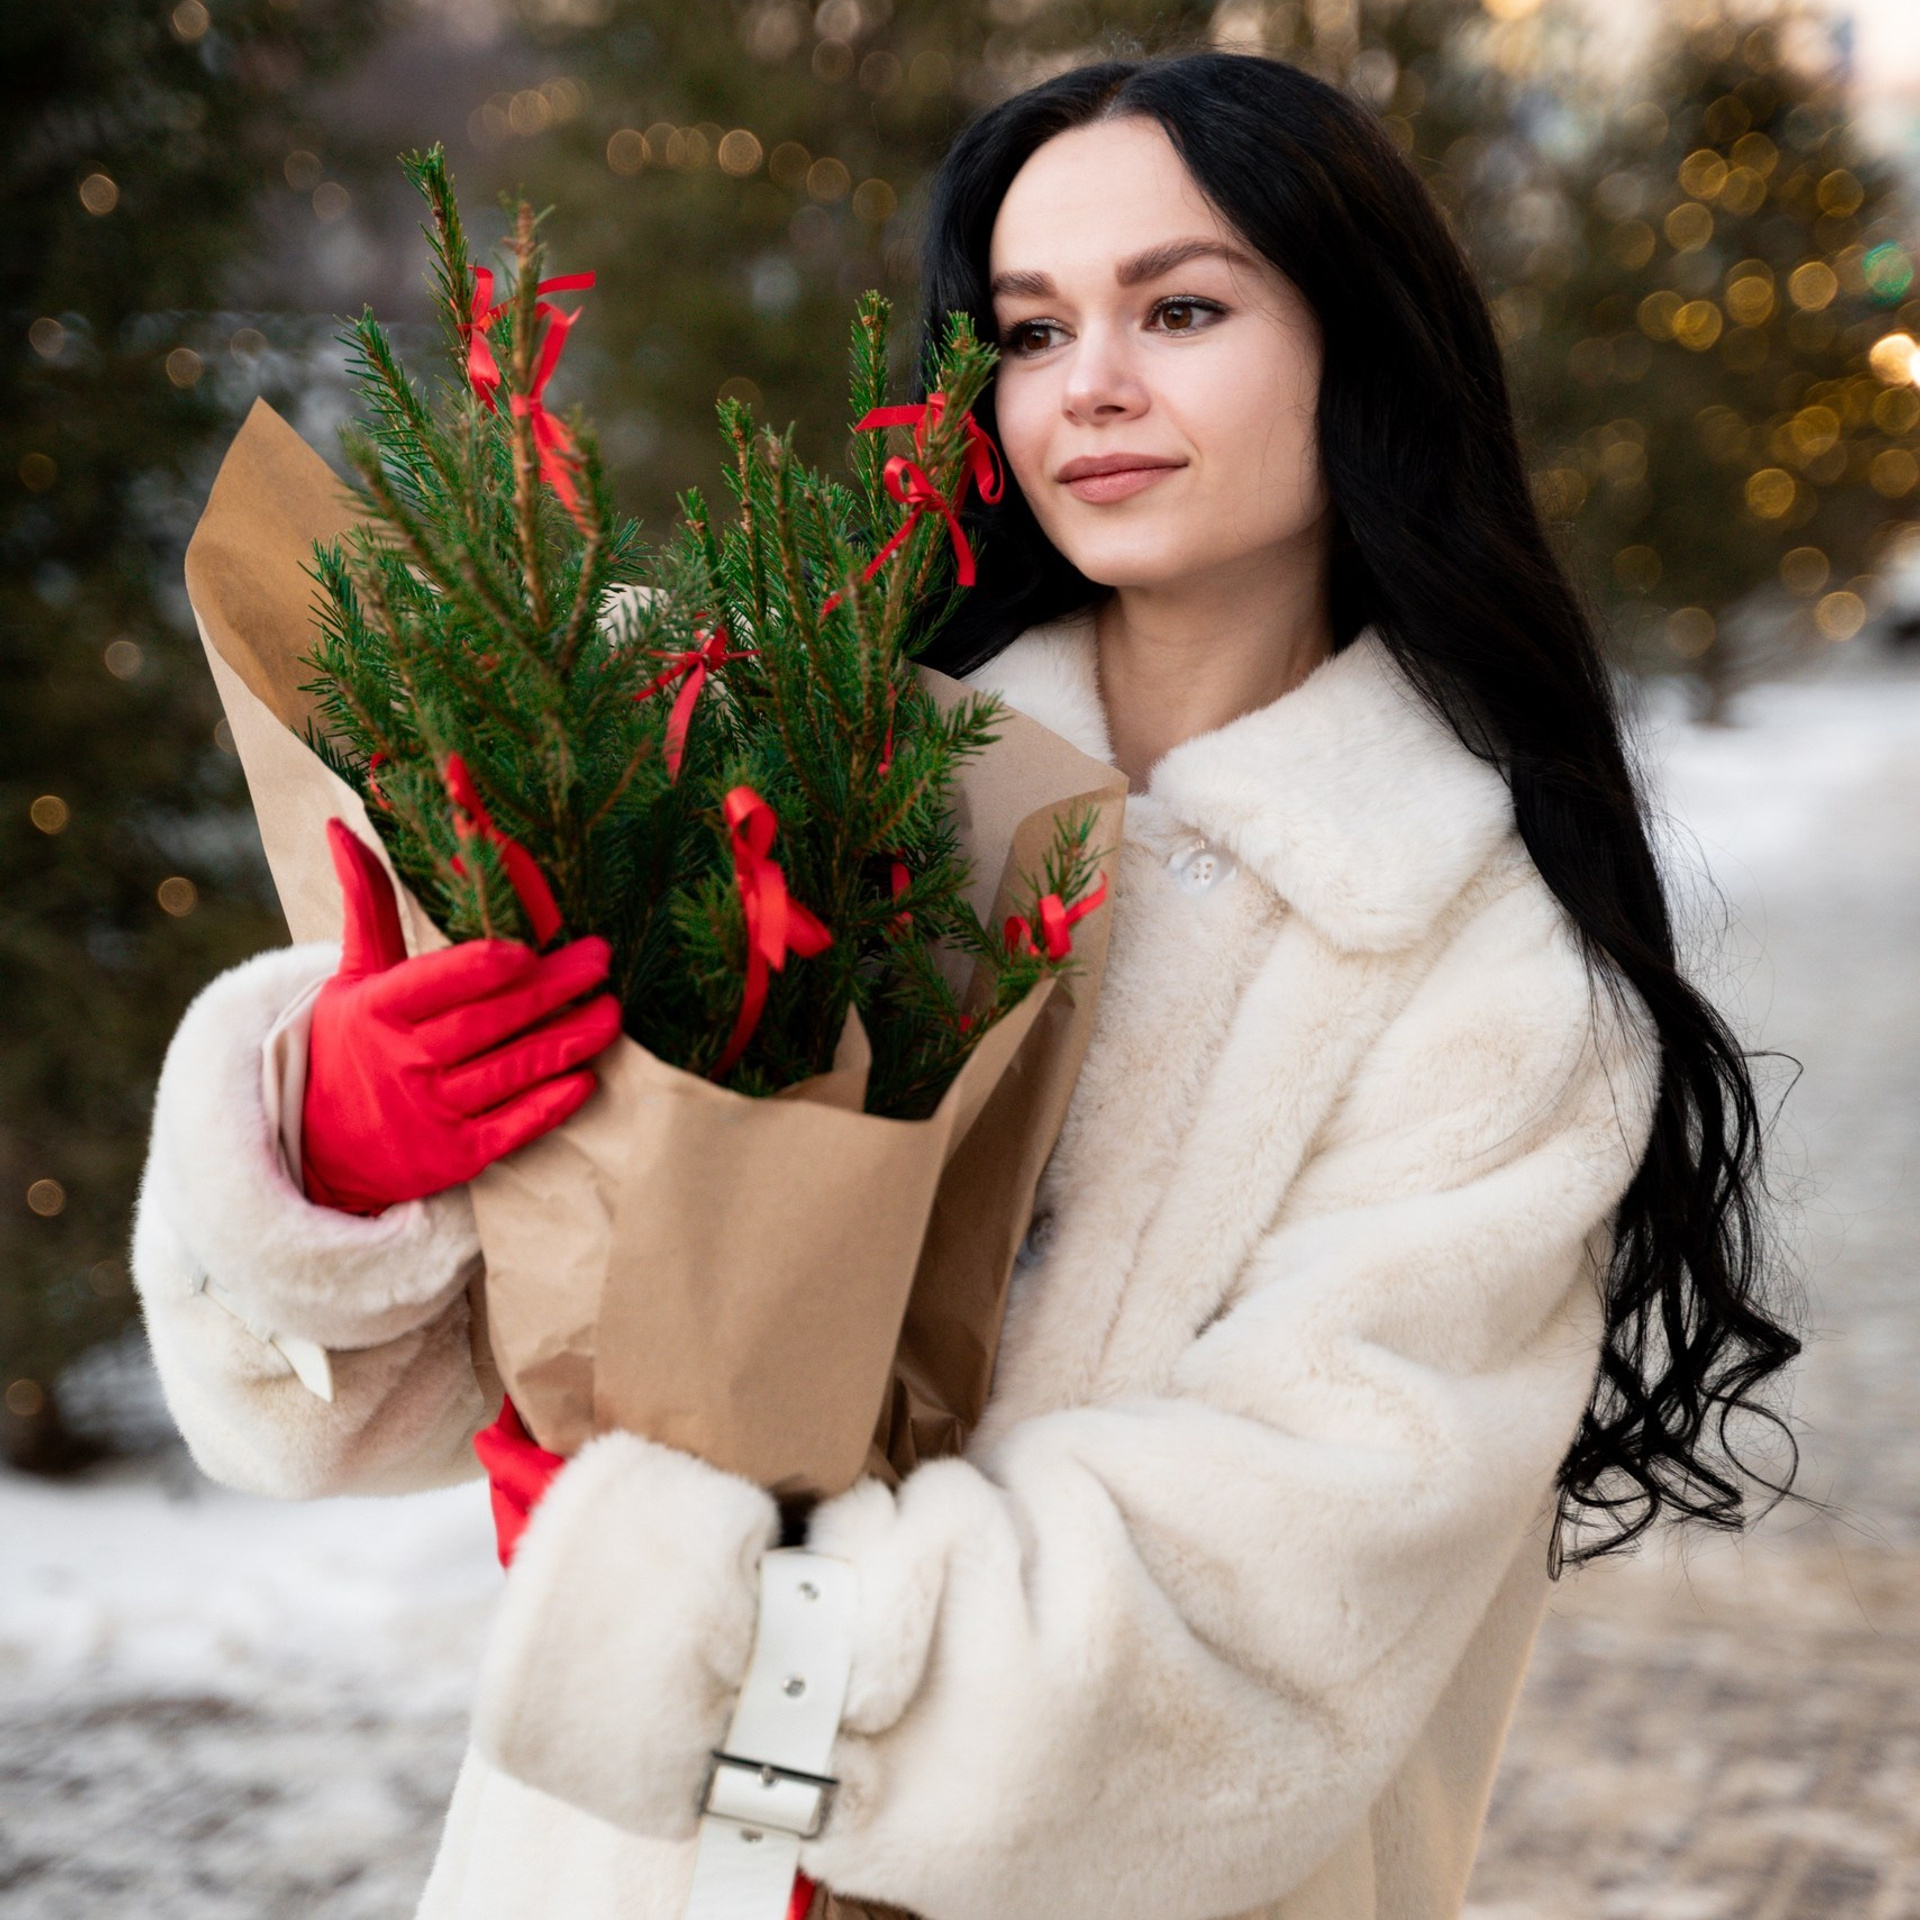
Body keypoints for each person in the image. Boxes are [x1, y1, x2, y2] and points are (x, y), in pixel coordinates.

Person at [132, 51, 1799, 1920]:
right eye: (1030, 329)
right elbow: (400, 1406)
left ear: (1366, 346)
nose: (1091, 384)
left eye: (1181, 309)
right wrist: (337, 1170)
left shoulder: (1471, 973)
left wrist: (708, 1630)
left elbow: (1255, 1641)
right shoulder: (809, 779)